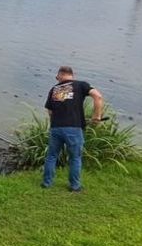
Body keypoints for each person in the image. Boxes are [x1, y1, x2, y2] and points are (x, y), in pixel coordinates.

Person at [41, 65, 105, 193]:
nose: (56, 79)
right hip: (74, 128)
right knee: (75, 157)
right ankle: (75, 186)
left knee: (52, 156)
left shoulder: (54, 89)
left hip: (56, 128)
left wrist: (56, 122)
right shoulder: (81, 85)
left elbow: (50, 111)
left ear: (60, 75)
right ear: (72, 75)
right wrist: (97, 116)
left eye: (57, 77)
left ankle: (47, 183)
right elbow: (97, 96)